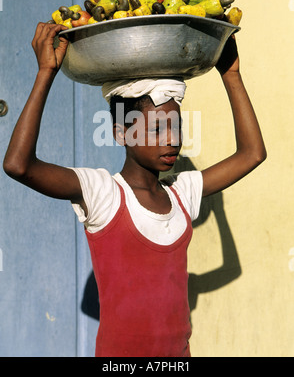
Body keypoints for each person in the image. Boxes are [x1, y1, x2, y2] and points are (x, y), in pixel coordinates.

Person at [3, 22, 266, 357]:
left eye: (176, 127)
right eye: (156, 128)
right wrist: (45, 73)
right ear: (121, 133)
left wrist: (231, 75)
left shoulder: (181, 195)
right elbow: (18, 165)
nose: (172, 139)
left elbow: (252, 153)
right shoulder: (104, 194)